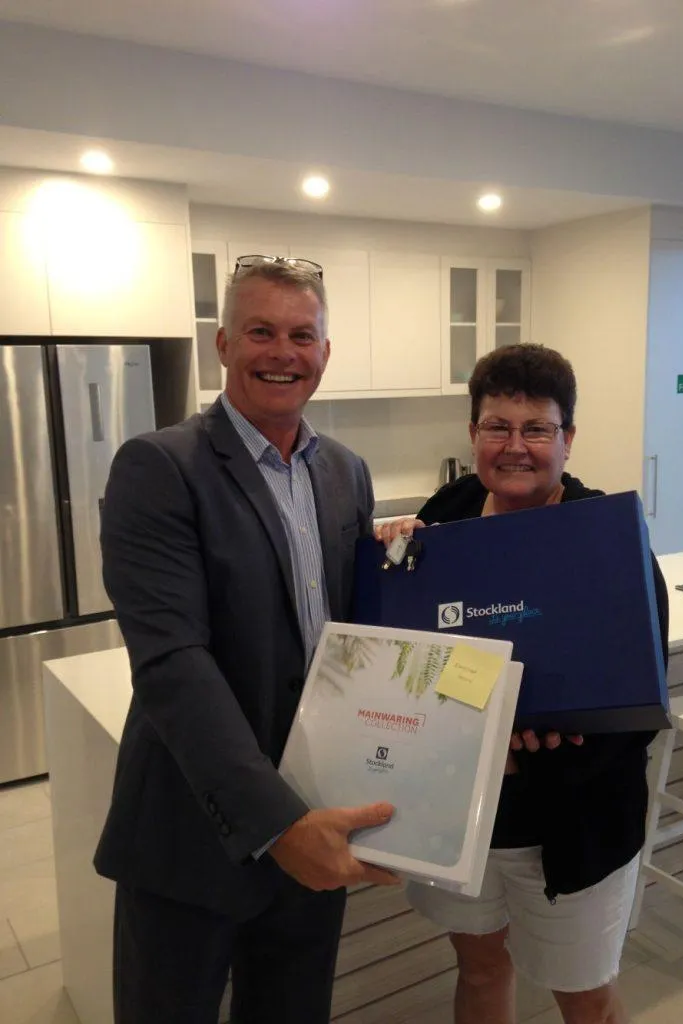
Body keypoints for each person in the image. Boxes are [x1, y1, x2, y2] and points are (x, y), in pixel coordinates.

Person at [94, 255, 398, 1024]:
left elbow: (352, 641)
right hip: (196, 831)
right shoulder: (160, 466)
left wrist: (411, 567)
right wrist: (277, 823)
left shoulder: (347, 473)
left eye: (302, 335)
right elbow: (172, 663)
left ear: (325, 352)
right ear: (224, 344)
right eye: (261, 331)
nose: (282, 353)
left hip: (316, 812)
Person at [377, 344, 669, 1024]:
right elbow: (403, 651)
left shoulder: (608, 540)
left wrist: (543, 748)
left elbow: (639, 707)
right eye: (496, 427)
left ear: (568, 438)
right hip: (464, 817)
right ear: (472, 433)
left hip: (571, 824)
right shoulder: (446, 513)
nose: (515, 447)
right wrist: (396, 556)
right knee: (480, 970)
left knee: (586, 1000)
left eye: (536, 428)